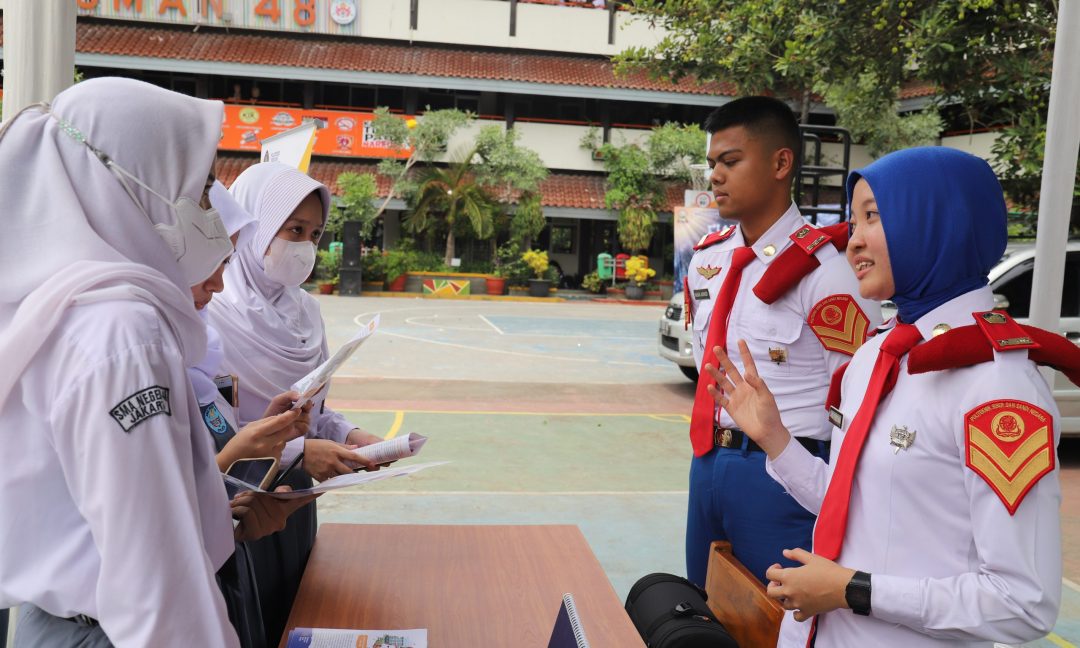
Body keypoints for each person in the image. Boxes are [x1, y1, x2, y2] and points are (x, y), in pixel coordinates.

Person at [707, 146, 1071, 646]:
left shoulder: (998, 388)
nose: (853, 242)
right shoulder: (878, 355)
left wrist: (852, 590)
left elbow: (1022, 602)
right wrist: (775, 439)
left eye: (873, 217)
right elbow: (851, 504)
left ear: (937, 223)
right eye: (852, 222)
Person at [0, 77, 247, 646]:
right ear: (136, 183)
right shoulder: (121, 334)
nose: (211, 215)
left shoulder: (52, 307)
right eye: (201, 189)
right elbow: (158, 596)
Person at [685, 96, 881, 591]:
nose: (715, 177)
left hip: (782, 473)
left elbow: (858, 393)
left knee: (778, 621)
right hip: (707, 462)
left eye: (730, 161)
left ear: (780, 162)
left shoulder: (826, 270)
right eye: (711, 164)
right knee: (705, 612)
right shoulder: (706, 260)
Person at [208, 162, 381, 642]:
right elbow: (214, 431)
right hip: (238, 501)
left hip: (297, 498)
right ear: (255, 224)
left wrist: (351, 437)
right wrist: (302, 452)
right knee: (253, 616)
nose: (305, 246)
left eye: (316, 234)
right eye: (294, 229)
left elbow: (312, 411)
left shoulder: (306, 311)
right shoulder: (211, 310)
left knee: (299, 607)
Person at [191, 181, 317, 648]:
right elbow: (142, 508)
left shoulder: (194, 363)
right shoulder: (135, 357)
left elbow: (219, 436)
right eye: (207, 264)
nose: (217, 282)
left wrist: (262, 434)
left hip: (237, 540)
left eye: (314, 233)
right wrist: (233, 460)